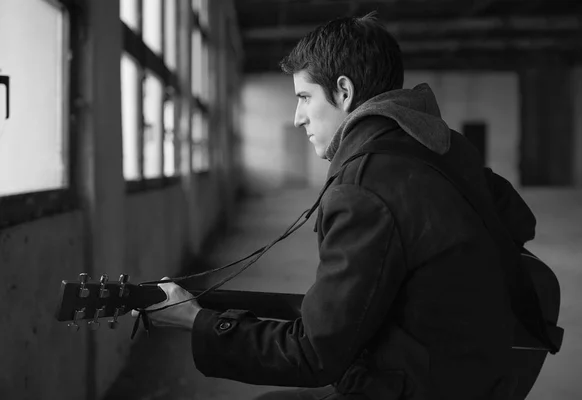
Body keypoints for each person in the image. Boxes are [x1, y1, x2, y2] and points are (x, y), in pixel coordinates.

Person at [132, 12, 537, 400]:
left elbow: (313, 355)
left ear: (343, 92)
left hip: (423, 385)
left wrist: (193, 321)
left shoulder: (365, 187)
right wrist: (204, 304)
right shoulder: (441, 148)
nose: (297, 118)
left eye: (305, 97)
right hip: (479, 374)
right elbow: (519, 222)